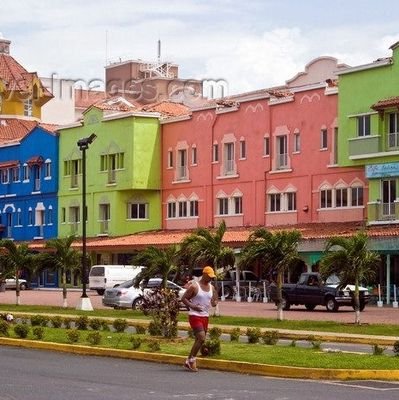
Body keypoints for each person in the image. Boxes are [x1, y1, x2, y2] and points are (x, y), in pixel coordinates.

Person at [181, 266, 218, 372]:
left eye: (212, 277)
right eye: (209, 276)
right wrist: (193, 306)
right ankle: (192, 360)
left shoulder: (212, 287)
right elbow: (184, 299)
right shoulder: (194, 286)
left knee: (199, 340)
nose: (211, 278)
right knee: (201, 338)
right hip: (194, 315)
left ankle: (188, 361)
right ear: (204, 274)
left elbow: (214, 300)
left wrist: (214, 302)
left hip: (205, 316)